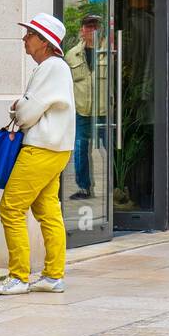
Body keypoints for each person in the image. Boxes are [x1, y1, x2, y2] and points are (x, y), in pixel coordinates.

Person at [0, 14, 75, 296]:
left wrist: (18, 106)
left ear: (44, 41)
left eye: (29, 34)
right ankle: (53, 275)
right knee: (47, 210)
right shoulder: (57, 67)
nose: (24, 39)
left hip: (41, 147)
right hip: (57, 148)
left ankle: (19, 276)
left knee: (10, 208)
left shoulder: (50, 67)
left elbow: (27, 114)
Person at [64, 14, 100, 200]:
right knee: (80, 149)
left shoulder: (109, 52)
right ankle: (84, 188)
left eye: (95, 27)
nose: (91, 30)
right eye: (88, 27)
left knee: (111, 151)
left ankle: (118, 188)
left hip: (104, 112)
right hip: (81, 111)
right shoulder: (71, 55)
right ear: (81, 30)